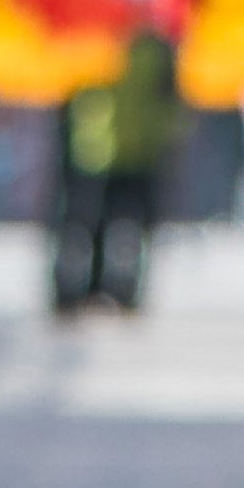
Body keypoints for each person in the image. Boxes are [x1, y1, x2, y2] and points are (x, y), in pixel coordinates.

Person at [56, 31, 180, 316]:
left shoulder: (150, 40)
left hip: (129, 147)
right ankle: (80, 288)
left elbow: (168, 97)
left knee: (126, 223)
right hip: (96, 146)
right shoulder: (96, 31)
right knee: (85, 223)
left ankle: (122, 288)